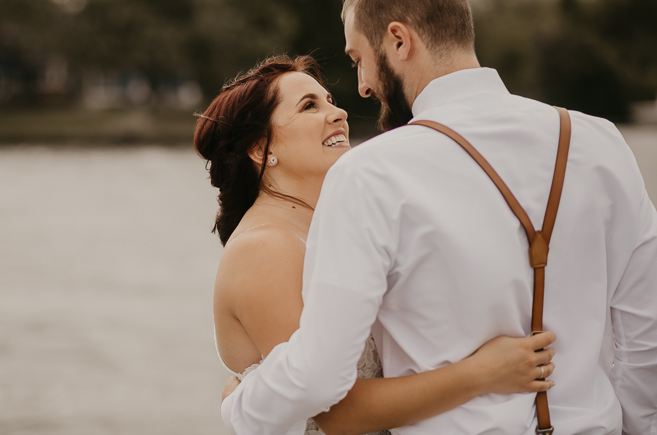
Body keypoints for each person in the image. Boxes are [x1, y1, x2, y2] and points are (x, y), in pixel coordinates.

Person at [219, 0, 657, 435]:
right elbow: (646, 336)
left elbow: (322, 373)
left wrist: (240, 406)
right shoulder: (600, 142)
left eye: (359, 60)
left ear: (399, 40)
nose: (362, 87)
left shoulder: (370, 173)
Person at [194, 55, 556, 435]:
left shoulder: (328, 224)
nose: (339, 114)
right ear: (260, 148)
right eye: (309, 106)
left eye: (329, 100)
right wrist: (485, 372)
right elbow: (337, 413)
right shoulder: (264, 248)